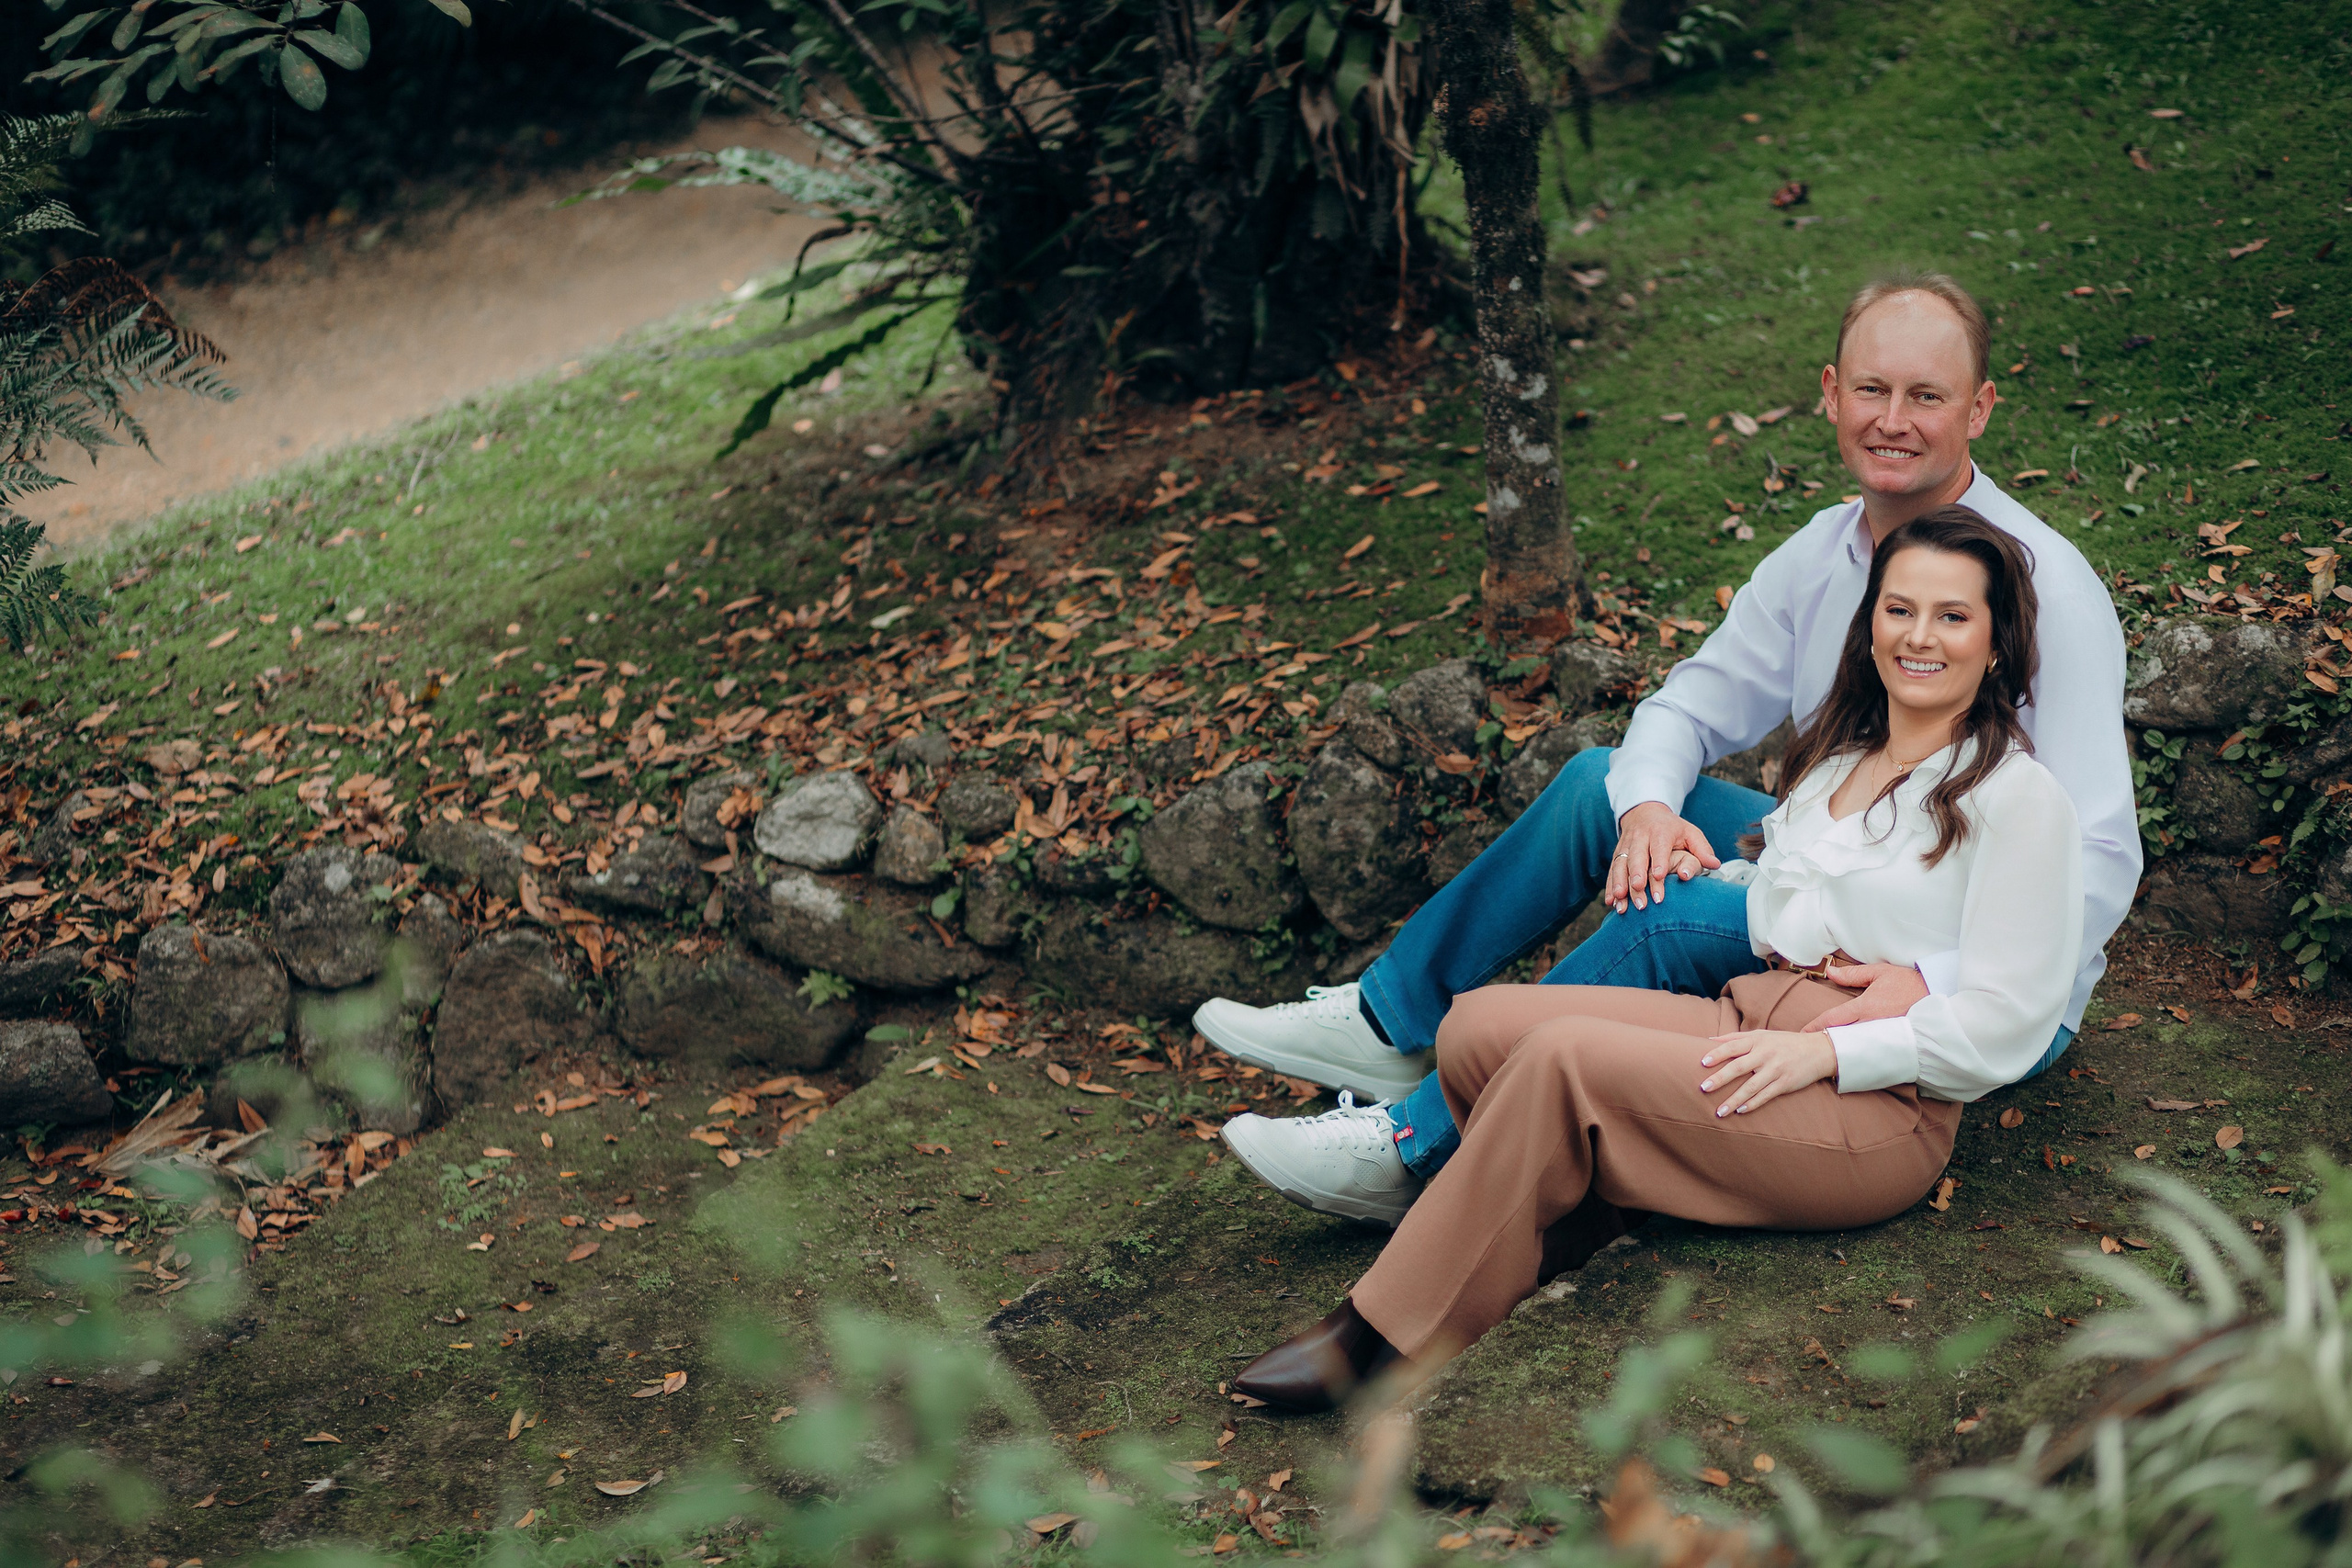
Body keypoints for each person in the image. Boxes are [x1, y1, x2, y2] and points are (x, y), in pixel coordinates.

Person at [1193, 270, 2137, 1228]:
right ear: (1828, 394)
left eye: (1926, 396)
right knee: (1600, 782)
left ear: (1977, 408)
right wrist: (1648, 810)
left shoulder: (2043, 586)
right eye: (1870, 390)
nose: (1892, 419)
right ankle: (1389, 1023)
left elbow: (2098, 851)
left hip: (1970, 970)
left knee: (1668, 911)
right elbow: (1689, 707)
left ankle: (1413, 1143)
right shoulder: (1821, 555)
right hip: (1841, 864)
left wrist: (1934, 980)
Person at [1227, 507, 2082, 1412]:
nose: (1919, 637)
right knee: (1476, 1030)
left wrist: (1830, 1050)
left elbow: (2013, 1019)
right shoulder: (1841, 763)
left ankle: (1382, 1333)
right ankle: (1544, 1234)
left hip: (1877, 1105)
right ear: (1869, 621)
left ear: (1996, 645)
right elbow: (1780, 908)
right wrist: (1695, 861)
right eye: (1899, 609)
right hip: (1754, 1017)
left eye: (1952, 617)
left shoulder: (2015, 798)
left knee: (1562, 1062)